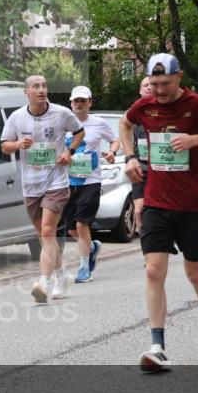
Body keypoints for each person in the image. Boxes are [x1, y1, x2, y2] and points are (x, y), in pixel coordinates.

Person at [119, 53, 198, 371]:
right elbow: (125, 123)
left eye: (165, 83)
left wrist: (196, 139)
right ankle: (157, 345)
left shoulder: (197, 105)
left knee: (194, 273)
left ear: (179, 78)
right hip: (157, 201)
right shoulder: (145, 106)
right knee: (153, 271)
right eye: (153, 83)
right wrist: (130, 156)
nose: (158, 90)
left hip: (192, 204)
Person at [1, 74, 85, 304]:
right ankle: (63, 275)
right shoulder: (17, 118)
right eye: (36, 86)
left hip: (56, 182)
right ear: (26, 92)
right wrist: (18, 144)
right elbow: (5, 146)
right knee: (44, 236)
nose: (41, 90)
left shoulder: (61, 113)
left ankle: (43, 282)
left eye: (44, 86)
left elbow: (79, 132)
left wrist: (69, 152)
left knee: (48, 230)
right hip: (30, 184)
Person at [63, 85, 119, 283]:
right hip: (68, 181)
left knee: (81, 223)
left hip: (91, 180)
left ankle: (84, 269)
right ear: (71, 103)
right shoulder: (63, 123)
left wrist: (112, 152)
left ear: (90, 103)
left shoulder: (98, 123)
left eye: (83, 101)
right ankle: (92, 247)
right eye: (76, 101)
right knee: (72, 229)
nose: (79, 104)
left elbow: (114, 140)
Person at [131, 76, 152, 233]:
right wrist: (129, 158)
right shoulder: (133, 113)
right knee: (139, 210)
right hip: (140, 167)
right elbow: (123, 135)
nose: (149, 87)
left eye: (151, 85)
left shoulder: (165, 111)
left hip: (161, 167)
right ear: (140, 90)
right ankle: (145, 240)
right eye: (145, 85)